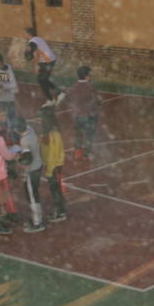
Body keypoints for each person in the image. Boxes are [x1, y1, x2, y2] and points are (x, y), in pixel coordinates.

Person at [38, 92, 69, 223]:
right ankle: (61, 210)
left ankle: (60, 212)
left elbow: (53, 154)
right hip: (55, 165)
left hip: (54, 167)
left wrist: (49, 170)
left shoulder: (52, 135)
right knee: (56, 189)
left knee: (56, 190)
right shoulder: (52, 132)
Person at [62, 66, 102, 160]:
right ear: (86, 76)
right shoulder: (91, 87)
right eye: (90, 74)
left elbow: (67, 98)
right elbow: (97, 101)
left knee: (78, 133)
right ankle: (87, 153)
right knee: (89, 135)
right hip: (90, 115)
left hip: (77, 115)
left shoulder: (74, 86)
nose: (91, 76)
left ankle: (77, 151)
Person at [14, 117, 46, 232]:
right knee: (34, 193)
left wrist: (18, 158)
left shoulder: (24, 141)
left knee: (32, 196)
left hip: (32, 169)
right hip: (38, 165)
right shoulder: (30, 129)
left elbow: (28, 159)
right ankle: (37, 218)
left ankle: (38, 223)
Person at [24, 27, 57, 99]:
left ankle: (51, 98)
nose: (24, 36)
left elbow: (35, 55)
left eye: (25, 34)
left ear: (29, 34)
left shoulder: (32, 42)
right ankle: (56, 93)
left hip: (47, 61)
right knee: (43, 79)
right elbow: (33, 54)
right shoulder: (38, 39)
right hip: (50, 60)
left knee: (41, 79)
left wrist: (36, 67)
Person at [0, 52, 18, 121]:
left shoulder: (8, 70)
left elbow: (13, 85)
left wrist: (2, 86)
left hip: (9, 99)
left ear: (0, 62)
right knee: (2, 119)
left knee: (11, 118)